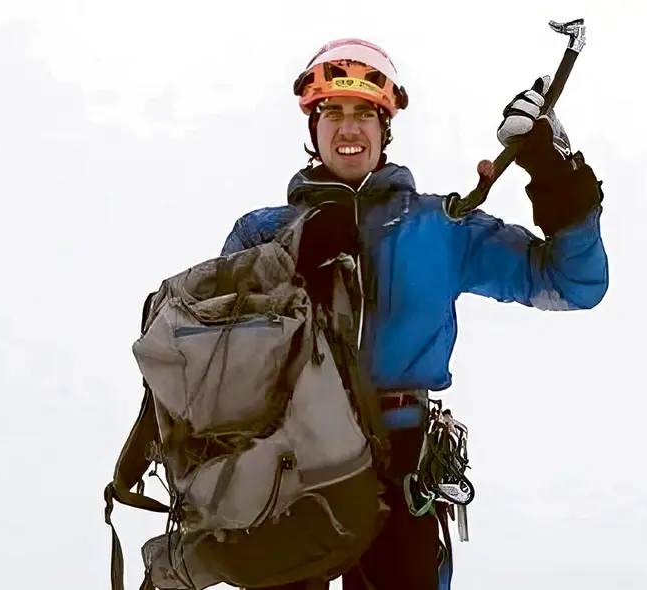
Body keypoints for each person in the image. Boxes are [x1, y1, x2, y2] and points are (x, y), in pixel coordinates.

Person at [218, 37, 609, 590]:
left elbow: (575, 282)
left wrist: (553, 169)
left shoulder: (439, 229)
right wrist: (285, 260)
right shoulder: (262, 234)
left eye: (364, 114)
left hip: (401, 468)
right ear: (313, 125)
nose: (349, 128)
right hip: (286, 469)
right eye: (333, 112)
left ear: (385, 127)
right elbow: (222, 351)